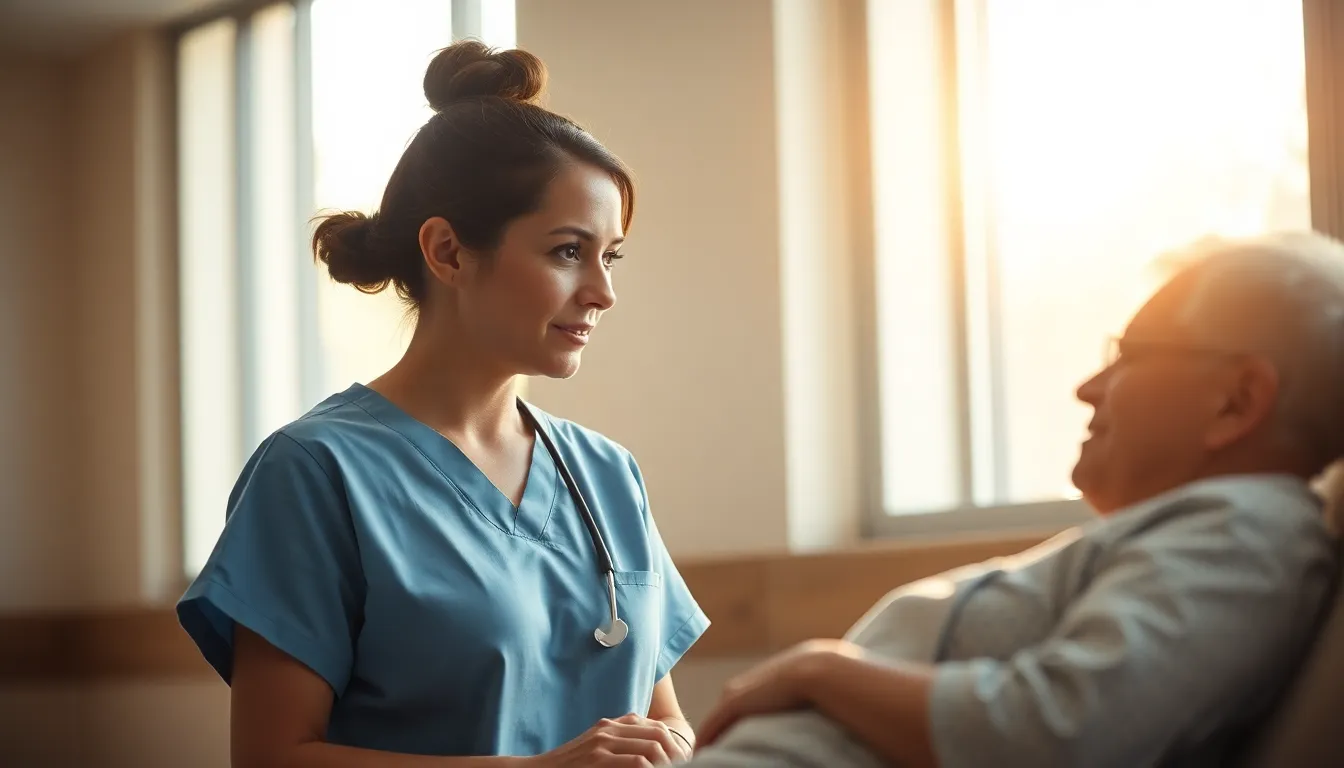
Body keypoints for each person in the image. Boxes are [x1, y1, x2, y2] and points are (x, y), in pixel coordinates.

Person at [177, 40, 709, 767]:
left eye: (609, 256)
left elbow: (667, 721)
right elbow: (274, 757)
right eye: (566, 252)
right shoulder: (315, 471)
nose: (602, 292)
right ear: (448, 252)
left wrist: (672, 748)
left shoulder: (608, 475)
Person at [684, 231, 1344, 768]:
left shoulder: (1248, 535)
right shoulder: (1198, 534)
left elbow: (1063, 734)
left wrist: (821, 670)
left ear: (1237, 402)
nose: (1089, 387)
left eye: (1130, 357)